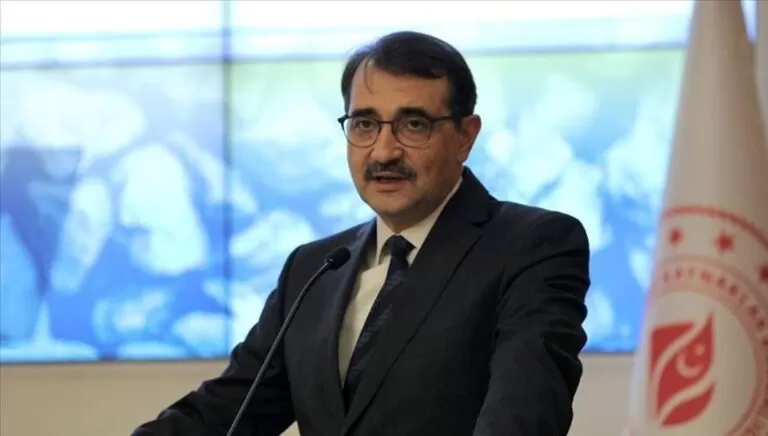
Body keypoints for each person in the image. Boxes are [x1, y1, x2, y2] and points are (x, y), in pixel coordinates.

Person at [133, 30, 591, 436]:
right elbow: (226, 412)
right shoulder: (313, 268)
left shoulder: (533, 245)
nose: (384, 151)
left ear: (465, 136)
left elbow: (523, 415)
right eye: (365, 124)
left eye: (414, 124)